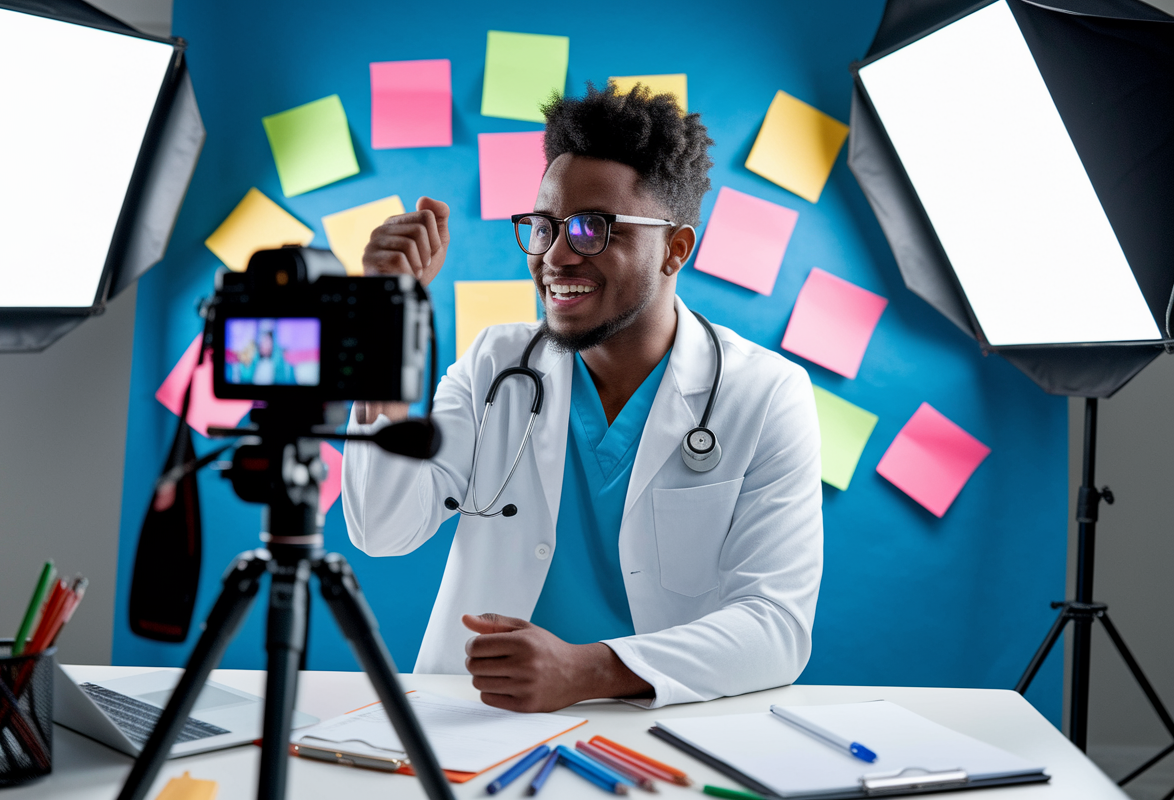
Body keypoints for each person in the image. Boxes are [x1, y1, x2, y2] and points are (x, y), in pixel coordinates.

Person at [341, 83, 822, 712]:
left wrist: (587, 671)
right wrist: (384, 319)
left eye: (593, 228)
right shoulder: (496, 364)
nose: (556, 255)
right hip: (479, 718)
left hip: (659, 725)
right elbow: (382, 528)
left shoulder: (764, 395)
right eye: (545, 226)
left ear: (675, 249)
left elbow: (776, 627)